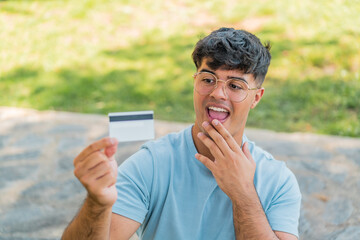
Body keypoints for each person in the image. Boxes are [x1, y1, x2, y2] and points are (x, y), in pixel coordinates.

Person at [62, 27, 301, 240]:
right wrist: (97, 203)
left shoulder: (279, 181)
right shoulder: (153, 163)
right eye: (208, 79)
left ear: (256, 98)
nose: (218, 93)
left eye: (235, 86)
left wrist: (243, 193)